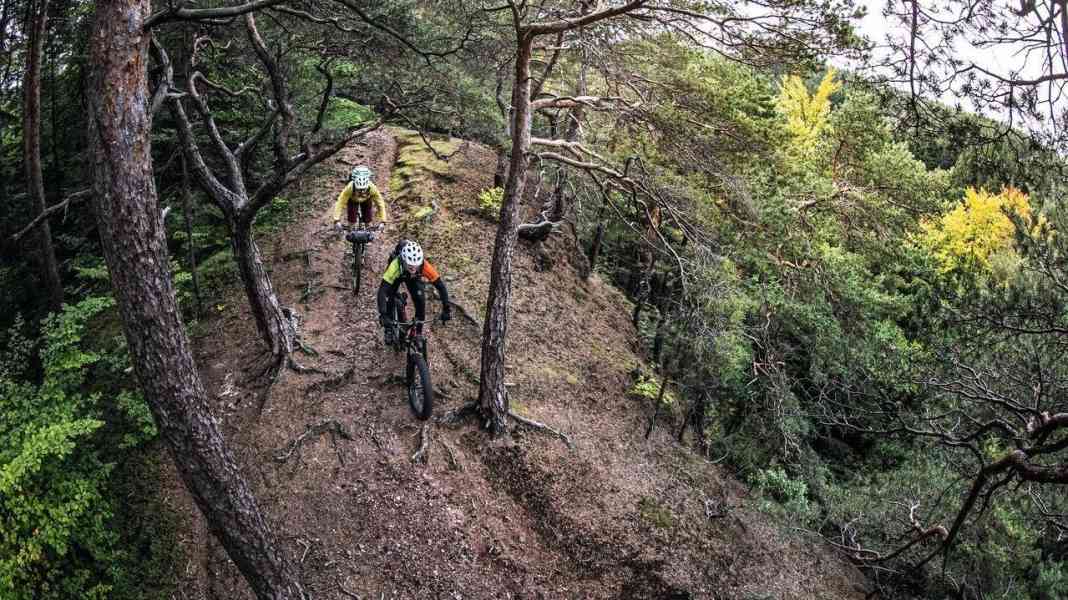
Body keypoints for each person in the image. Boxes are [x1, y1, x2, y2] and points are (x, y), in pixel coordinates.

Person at [377, 240, 451, 345]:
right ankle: (388, 330)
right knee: (390, 295)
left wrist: (446, 308)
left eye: (416, 266)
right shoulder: (395, 265)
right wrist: (383, 315)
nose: (413, 269)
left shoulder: (424, 266)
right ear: (404, 260)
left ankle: (418, 332)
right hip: (398, 275)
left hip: (413, 279)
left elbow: (441, 286)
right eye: (410, 266)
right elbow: (382, 291)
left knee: (421, 302)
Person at [333, 165, 387, 230]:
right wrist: (336, 220)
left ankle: (368, 228)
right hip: (353, 199)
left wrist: (383, 221)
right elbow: (340, 202)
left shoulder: (372, 188)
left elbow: (380, 204)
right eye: (358, 190)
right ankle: (351, 228)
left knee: (368, 219)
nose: (361, 192)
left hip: (366, 199)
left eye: (364, 190)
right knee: (351, 220)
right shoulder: (350, 188)